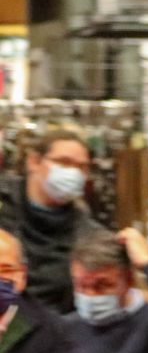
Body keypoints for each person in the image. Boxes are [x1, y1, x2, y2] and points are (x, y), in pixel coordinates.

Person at [0, 129, 103, 314]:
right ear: (34, 161)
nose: (73, 173)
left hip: (49, 331)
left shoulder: (89, 236)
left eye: (81, 167)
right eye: (64, 162)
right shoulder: (4, 206)